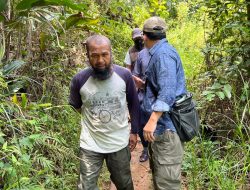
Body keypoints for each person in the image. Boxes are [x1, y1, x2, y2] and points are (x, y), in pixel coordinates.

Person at [69, 35, 140, 190]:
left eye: (104, 54)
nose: (100, 60)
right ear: (87, 56)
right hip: (90, 144)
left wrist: (134, 131)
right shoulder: (79, 79)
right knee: (85, 186)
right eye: (94, 55)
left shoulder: (124, 76)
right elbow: (76, 105)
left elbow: (134, 104)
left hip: (119, 143)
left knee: (124, 183)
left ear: (110, 53)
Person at [142, 16, 187, 190]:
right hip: (163, 129)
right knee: (161, 178)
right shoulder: (162, 52)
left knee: (167, 183)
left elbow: (167, 93)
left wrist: (152, 120)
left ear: (145, 36)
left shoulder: (163, 55)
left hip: (166, 128)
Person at [124, 28, 149, 162]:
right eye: (136, 39)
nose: (138, 41)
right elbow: (128, 70)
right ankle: (145, 148)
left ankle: (152, 147)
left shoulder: (150, 48)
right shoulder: (131, 51)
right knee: (138, 122)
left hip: (150, 89)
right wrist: (132, 85)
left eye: (140, 38)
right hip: (136, 89)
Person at [132, 48, 150, 162]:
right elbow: (135, 75)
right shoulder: (142, 55)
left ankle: (154, 149)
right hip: (142, 96)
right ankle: (146, 149)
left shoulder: (165, 54)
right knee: (141, 125)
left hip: (158, 98)